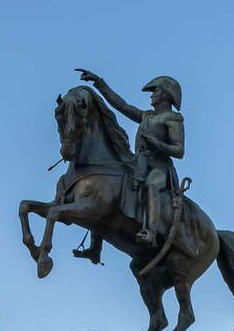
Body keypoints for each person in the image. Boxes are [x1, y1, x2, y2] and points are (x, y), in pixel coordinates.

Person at [72, 68, 192, 265]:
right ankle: (95, 248)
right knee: (106, 190)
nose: (151, 96)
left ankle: (150, 232)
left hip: (159, 167)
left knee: (151, 186)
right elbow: (121, 105)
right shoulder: (146, 116)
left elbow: (179, 151)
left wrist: (157, 144)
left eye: (155, 92)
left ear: (165, 95)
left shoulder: (173, 119)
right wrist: (100, 83)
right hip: (139, 163)